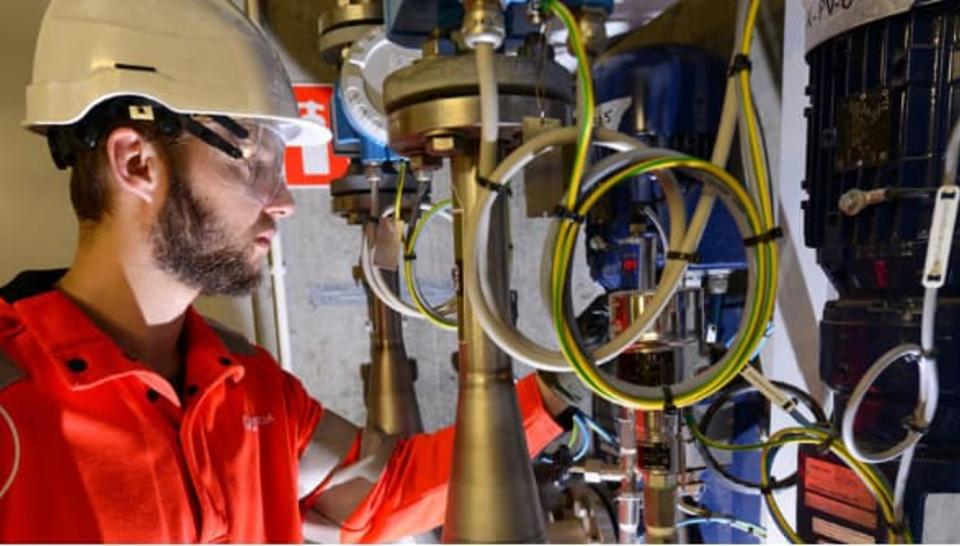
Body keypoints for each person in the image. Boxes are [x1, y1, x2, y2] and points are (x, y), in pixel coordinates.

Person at [0, 0, 567, 542]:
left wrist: (561, 389)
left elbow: (383, 497)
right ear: (137, 162)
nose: (284, 201)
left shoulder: (245, 383)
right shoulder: (12, 408)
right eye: (256, 164)